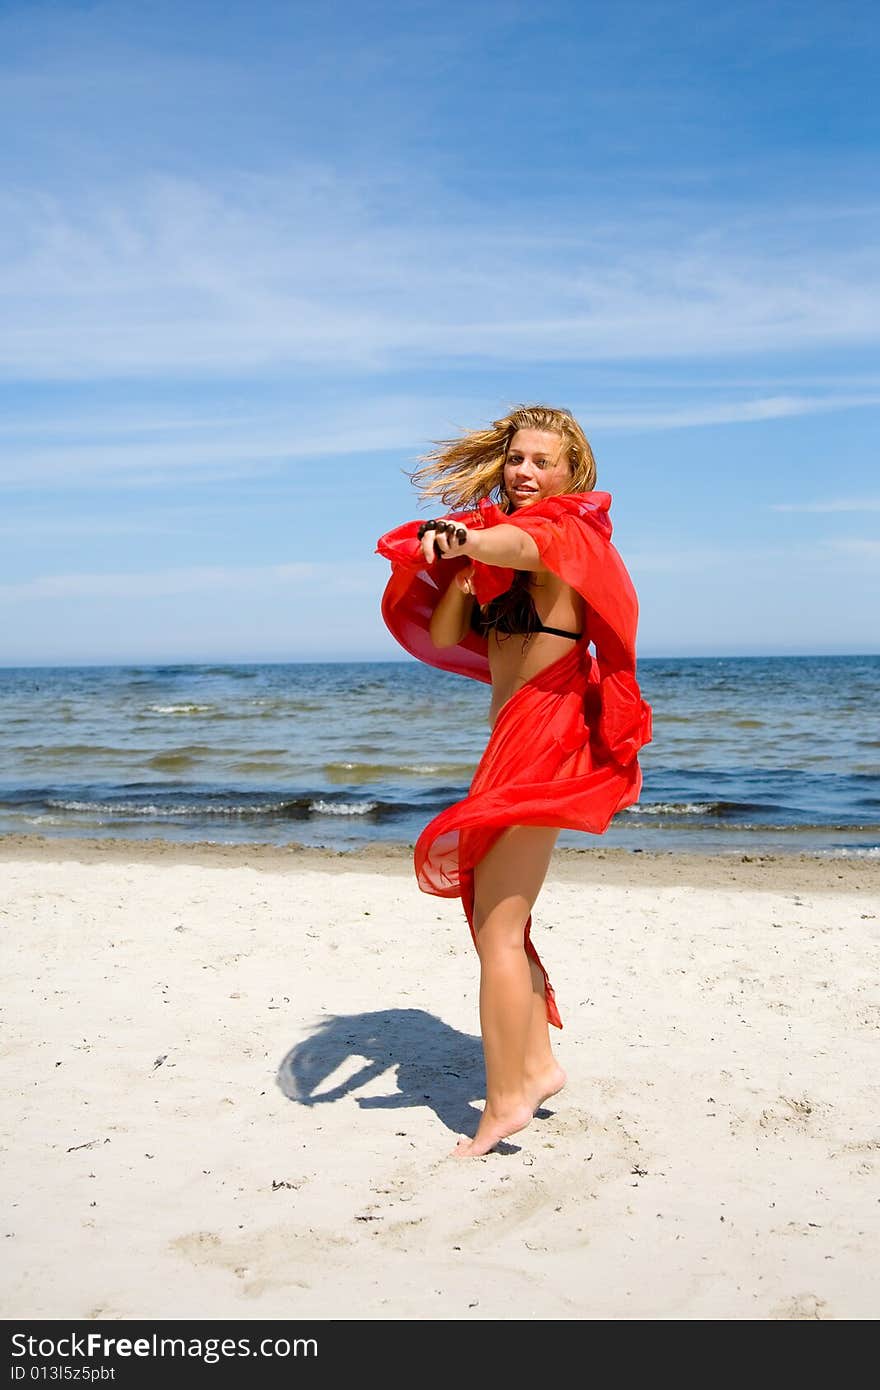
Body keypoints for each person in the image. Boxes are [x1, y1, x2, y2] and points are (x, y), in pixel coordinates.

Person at [376, 405, 652, 1156]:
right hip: (513, 736)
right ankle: (536, 1065)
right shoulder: (507, 552)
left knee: (497, 928)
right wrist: (463, 570)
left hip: (549, 736)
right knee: (499, 916)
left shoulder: (566, 534)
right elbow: (440, 634)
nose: (526, 472)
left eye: (543, 461)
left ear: (572, 471)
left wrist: (469, 537)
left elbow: (516, 538)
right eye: (517, 460)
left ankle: (506, 1100)